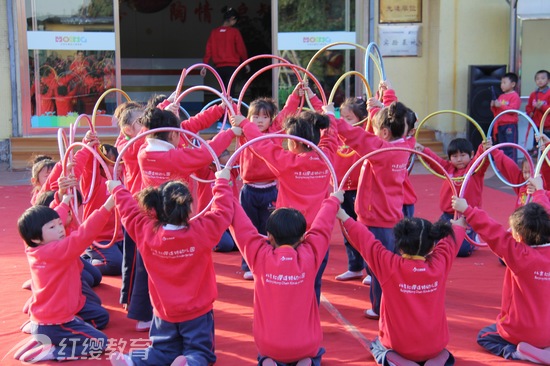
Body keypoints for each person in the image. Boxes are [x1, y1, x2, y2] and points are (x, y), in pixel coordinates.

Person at [107, 167, 234, 366]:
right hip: (197, 312)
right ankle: (190, 362)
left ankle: (132, 361)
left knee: (161, 350)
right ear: (189, 208)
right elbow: (223, 212)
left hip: (163, 311)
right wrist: (222, 183)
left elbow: (129, 213)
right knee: (201, 352)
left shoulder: (147, 232)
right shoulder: (201, 231)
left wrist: (117, 190)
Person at [231, 108, 337, 304]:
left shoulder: (287, 162)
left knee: (288, 280)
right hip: (318, 232)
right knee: (313, 279)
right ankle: (308, 315)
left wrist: (245, 124)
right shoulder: (326, 158)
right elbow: (332, 135)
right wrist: (329, 114)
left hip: (288, 234)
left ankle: (287, 310)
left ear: (294, 142)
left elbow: (262, 145)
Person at [229, 190, 344, 366]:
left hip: (270, 346)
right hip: (306, 344)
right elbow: (322, 227)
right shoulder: (310, 256)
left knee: (267, 356)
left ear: (269, 236)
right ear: (303, 237)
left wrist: (222, 186)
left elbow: (240, 225)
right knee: (313, 353)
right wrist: (333, 201)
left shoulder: (259, 256)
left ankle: (268, 361)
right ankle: (306, 361)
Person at [337, 208, 466, 366]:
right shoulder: (440, 264)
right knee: (443, 352)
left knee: (377, 344)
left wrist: (343, 215)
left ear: (399, 245)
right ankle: (437, 360)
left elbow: (366, 241)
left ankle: (400, 362)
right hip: (435, 346)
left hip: (400, 347)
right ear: (432, 246)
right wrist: (460, 224)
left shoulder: (389, 265)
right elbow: (450, 243)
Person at [451, 178, 550, 364]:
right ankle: (544, 348)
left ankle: (520, 353)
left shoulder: (520, 255)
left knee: (485, 336)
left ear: (519, 236)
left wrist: (467, 210)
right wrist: (540, 191)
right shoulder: (531, 247)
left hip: (522, 331)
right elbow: (544, 215)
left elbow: (494, 233)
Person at [332, 100, 413, 320]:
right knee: (387, 264)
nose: (371, 131)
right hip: (391, 216)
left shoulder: (381, 151)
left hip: (377, 219)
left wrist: (332, 116)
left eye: (376, 128)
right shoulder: (406, 145)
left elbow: (353, 135)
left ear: (384, 132)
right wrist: (379, 104)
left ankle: (380, 309)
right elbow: (386, 124)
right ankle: (391, 305)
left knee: (379, 268)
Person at [13, 192, 115, 363]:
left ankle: (41, 340)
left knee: (97, 318)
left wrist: (65, 203)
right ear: (35, 238)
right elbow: (84, 234)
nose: (60, 228)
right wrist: (107, 207)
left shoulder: (33, 248)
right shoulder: (58, 251)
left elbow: (51, 221)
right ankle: (54, 351)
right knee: (100, 342)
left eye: (60, 224)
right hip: (56, 323)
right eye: (53, 228)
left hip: (44, 320)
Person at [237, 82, 322, 280]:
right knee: (249, 227)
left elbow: (286, 113)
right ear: (248, 119)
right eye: (255, 116)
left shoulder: (275, 133)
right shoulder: (244, 133)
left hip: (269, 189)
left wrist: (295, 94)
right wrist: (226, 105)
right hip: (249, 189)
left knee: (271, 228)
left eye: (264, 117)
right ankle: (248, 263)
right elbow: (234, 115)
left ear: (270, 120)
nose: (259, 121)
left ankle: (272, 259)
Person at [416, 137, 490, 257]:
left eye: (462, 155)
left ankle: (473, 239)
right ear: (450, 158)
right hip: (448, 215)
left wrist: (483, 148)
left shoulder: (474, 169)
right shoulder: (448, 169)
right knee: (431, 241)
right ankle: (453, 237)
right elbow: (436, 162)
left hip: (467, 217)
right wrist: (423, 150)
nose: (459, 159)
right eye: (454, 156)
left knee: (462, 251)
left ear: (471, 154)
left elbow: (481, 159)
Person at [333, 97, 371, 284]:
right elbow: (328, 118)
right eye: (343, 117)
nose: (344, 122)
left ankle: (372, 270)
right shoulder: (338, 135)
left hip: (359, 188)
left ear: (363, 119)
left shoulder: (363, 137)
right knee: (347, 229)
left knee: (363, 229)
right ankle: (355, 267)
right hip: (341, 189)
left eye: (350, 119)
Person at [201, 6, 249, 95]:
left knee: (223, 92)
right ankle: (230, 109)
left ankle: (224, 109)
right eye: (235, 20)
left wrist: (205, 66)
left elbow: (208, 50)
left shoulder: (214, 33)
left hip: (219, 68)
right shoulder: (234, 32)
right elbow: (241, 48)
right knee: (230, 92)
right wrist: (246, 62)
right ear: (232, 19)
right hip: (232, 67)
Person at [490, 72, 521, 161]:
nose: (502, 85)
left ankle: (512, 168)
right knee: (502, 147)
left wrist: (500, 105)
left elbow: (513, 110)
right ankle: (504, 167)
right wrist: (493, 106)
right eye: (501, 83)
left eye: (504, 82)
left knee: (511, 147)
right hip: (500, 125)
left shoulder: (515, 96)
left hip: (510, 125)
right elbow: (496, 112)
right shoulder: (501, 96)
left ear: (513, 84)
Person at [526, 70, 550, 136]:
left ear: (548, 80)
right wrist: (529, 112)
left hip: (547, 126)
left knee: (547, 144)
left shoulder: (549, 93)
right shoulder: (533, 94)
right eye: (537, 79)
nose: (540, 80)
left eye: (543, 78)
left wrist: (541, 107)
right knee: (537, 144)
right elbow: (528, 106)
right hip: (536, 124)